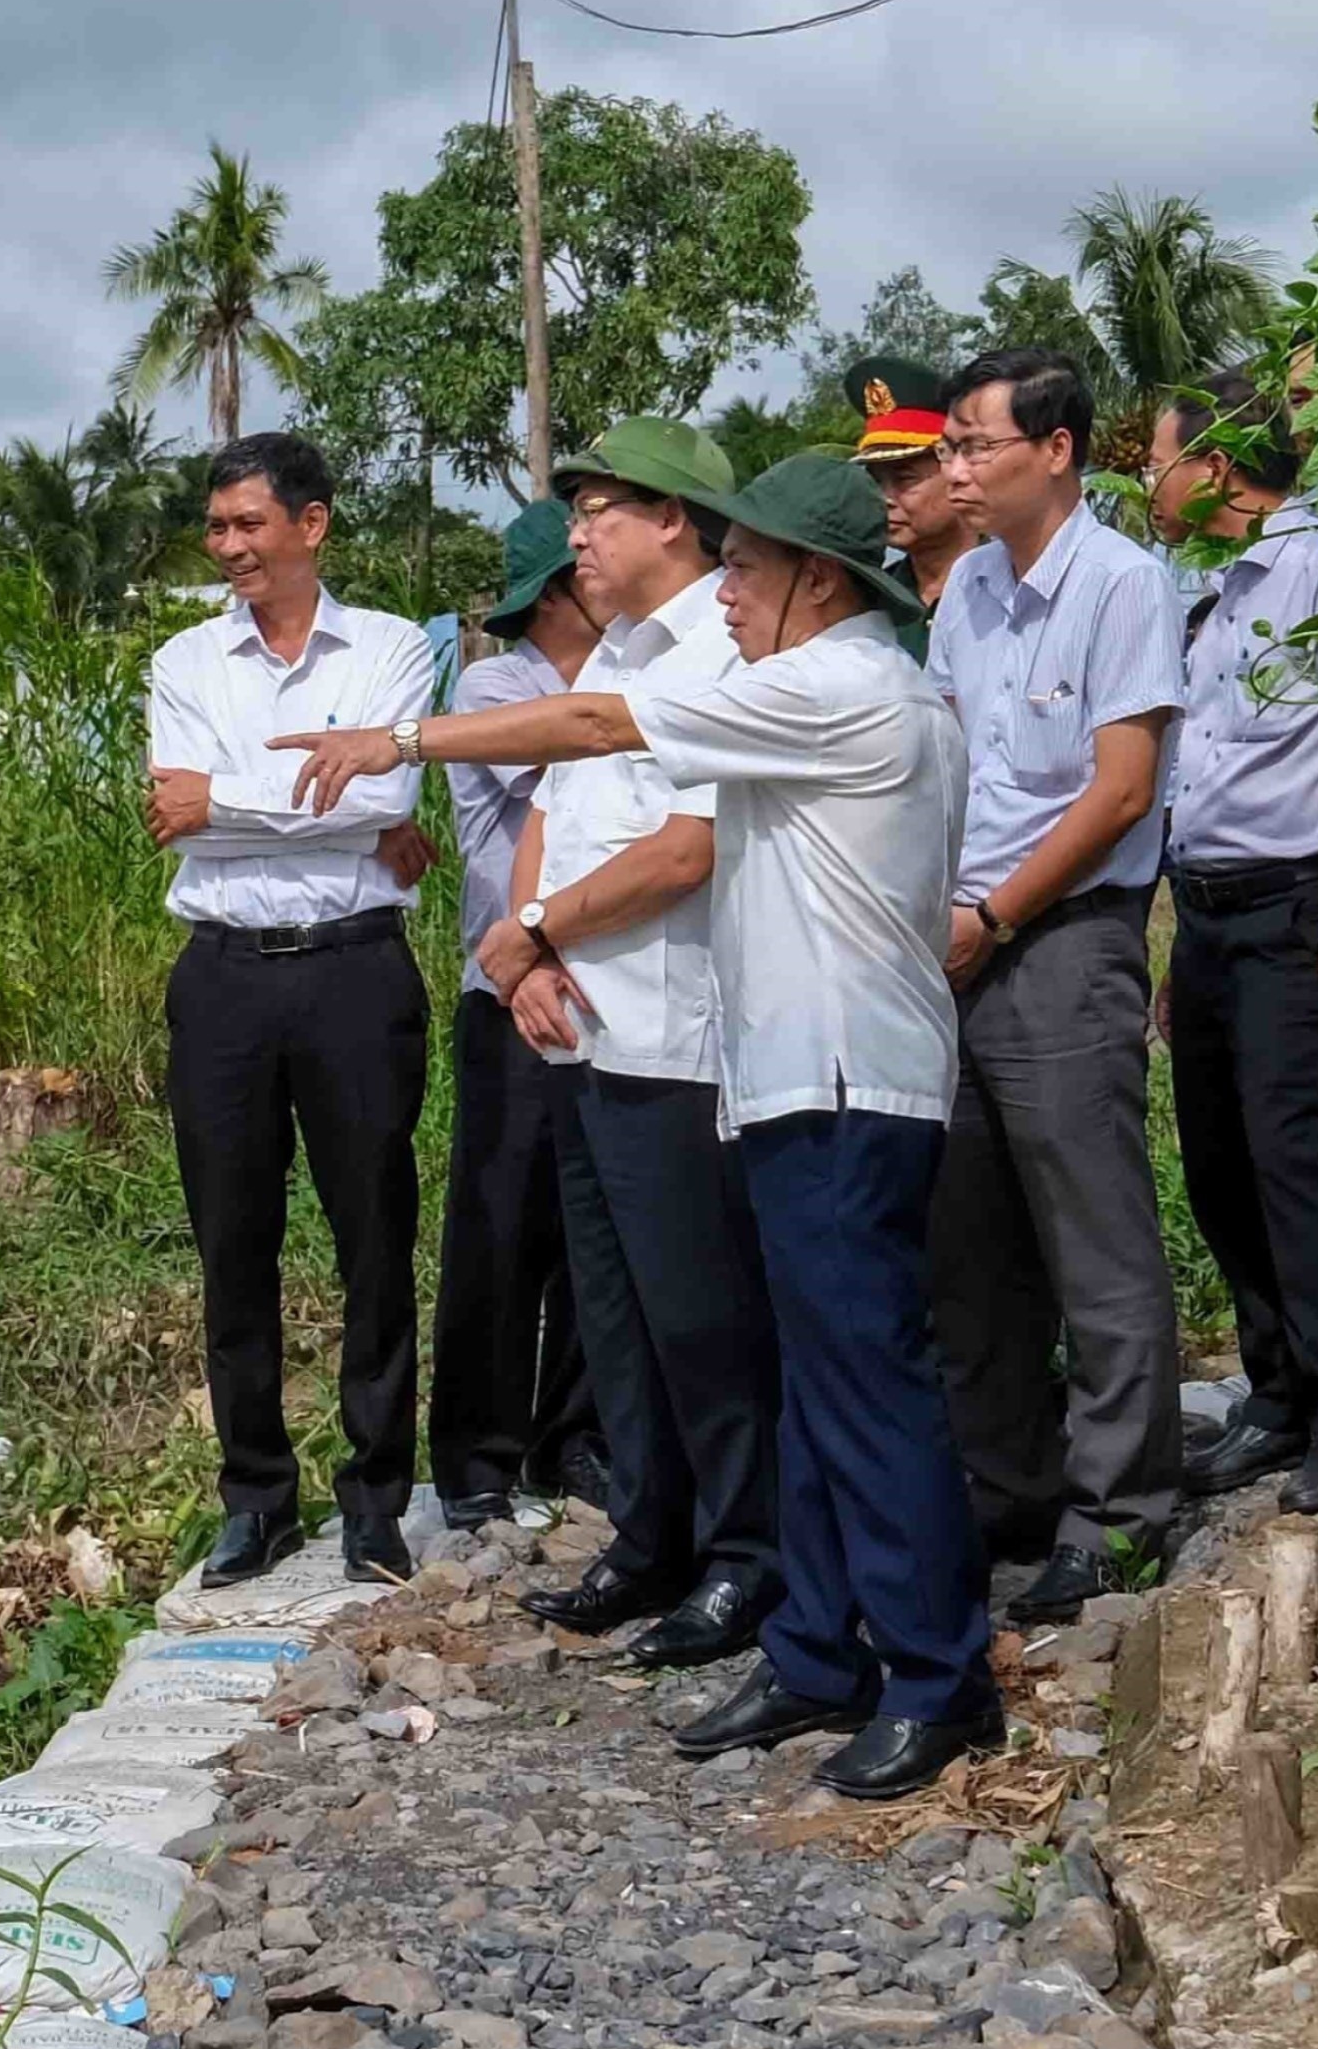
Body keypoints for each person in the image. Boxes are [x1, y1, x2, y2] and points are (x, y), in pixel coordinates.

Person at [275, 454, 1003, 1802]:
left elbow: (603, 726)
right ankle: (818, 1648)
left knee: (864, 1385)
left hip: (845, 1084)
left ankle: (932, 1673)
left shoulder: (841, 687)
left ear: (816, 580)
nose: (724, 593)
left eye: (745, 569)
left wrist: (399, 741)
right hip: (792, 1081)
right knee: (813, 1387)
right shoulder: (815, 689)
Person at [477, 419, 780, 1671]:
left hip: (678, 1031)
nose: (577, 533)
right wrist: (531, 955)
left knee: (703, 1314)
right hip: (581, 1033)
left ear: (672, 517)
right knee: (615, 1314)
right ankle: (648, 1535)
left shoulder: (728, 644)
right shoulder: (609, 650)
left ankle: (745, 1558)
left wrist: (535, 927)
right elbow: (552, 805)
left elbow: (686, 849)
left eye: (598, 507)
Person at [146, 433, 441, 1587]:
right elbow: (177, 810)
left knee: (373, 1230)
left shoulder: (387, 650)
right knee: (232, 1240)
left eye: (246, 526)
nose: (227, 549)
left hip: (351, 968)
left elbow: (386, 790)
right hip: (219, 971)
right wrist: (319, 805)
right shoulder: (186, 659)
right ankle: (254, 1496)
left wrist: (229, 796)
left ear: (309, 525)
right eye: (215, 529)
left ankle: (374, 1499)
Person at [927, 345, 1187, 1623]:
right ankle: (1007, 1484)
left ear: (1056, 450)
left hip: (1061, 935)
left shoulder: (1121, 582)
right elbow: (942, 763)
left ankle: (1119, 1512)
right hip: (956, 944)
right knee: (966, 1241)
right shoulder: (966, 587)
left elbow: (1120, 789)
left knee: (1093, 1239)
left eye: (974, 444)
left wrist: (995, 912)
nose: (953, 468)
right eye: (950, 448)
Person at [1154, 371, 1318, 1516]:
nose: (1148, 478)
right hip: (1210, 914)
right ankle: (1276, 1390)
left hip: (1298, 908)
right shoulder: (1212, 599)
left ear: (1212, 467)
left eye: (1157, 455)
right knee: (1216, 1159)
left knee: (1294, 1160)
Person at [429, 501, 608, 1529]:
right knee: (500, 1227)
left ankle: (573, 1437)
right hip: (509, 991)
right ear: (558, 590)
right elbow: (581, 751)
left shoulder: (638, 673)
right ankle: (474, 1457)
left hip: (607, 989)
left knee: (598, 1230)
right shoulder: (495, 687)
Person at [846, 355, 970, 654]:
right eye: (876, 481)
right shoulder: (867, 601)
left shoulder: (1011, 588)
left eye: (905, 479)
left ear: (958, 472)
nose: (885, 499)